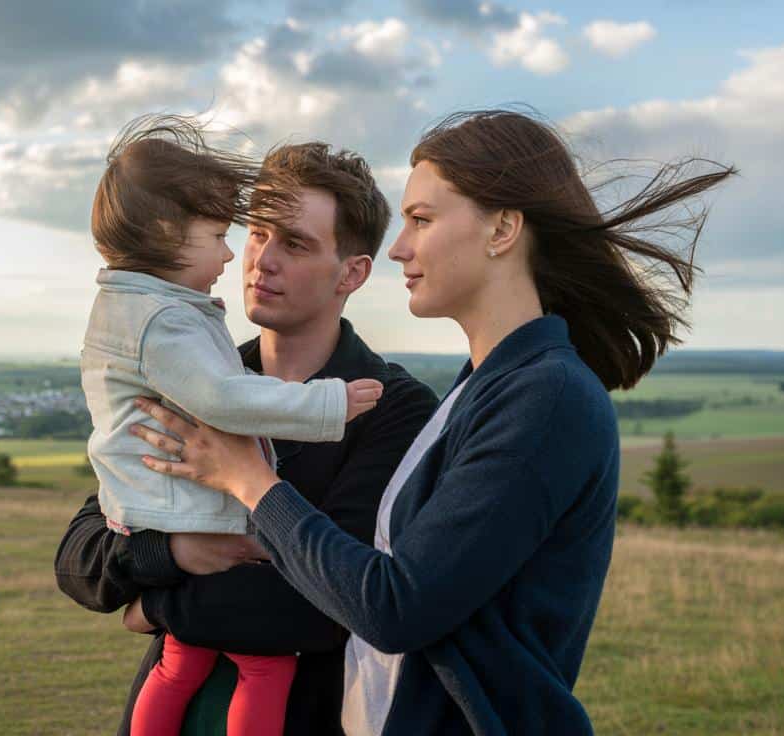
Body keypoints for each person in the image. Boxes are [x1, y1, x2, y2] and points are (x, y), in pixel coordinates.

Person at [128, 109, 737, 734]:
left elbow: (394, 606)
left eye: (421, 219)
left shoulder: (547, 396)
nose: (398, 247)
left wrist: (249, 483)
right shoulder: (487, 384)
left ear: (502, 229)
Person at [56, 141, 439, 735]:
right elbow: (81, 555)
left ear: (354, 272)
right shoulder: (188, 376)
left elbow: (334, 608)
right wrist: (174, 552)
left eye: (294, 243)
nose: (260, 260)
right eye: (257, 233)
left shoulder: (391, 408)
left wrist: (155, 605)